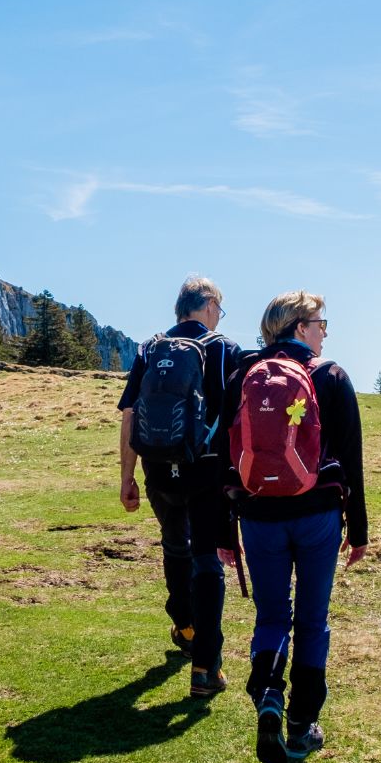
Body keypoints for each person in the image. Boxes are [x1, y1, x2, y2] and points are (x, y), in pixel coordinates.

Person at [223, 290, 366, 763]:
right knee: (311, 619)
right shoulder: (330, 376)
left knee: (270, 616)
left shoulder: (244, 375)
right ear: (301, 327)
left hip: (258, 517)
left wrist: (225, 532)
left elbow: (223, 460)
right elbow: (352, 461)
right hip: (318, 517)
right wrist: (359, 530)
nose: (325, 331)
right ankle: (302, 725)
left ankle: (268, 696)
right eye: (321, 323)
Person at [117, 276, 243, 698]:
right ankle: (206, 666)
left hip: (157, 466)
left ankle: (186, 626)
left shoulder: (150, 349)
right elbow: (235, 417)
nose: (218, 317)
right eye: (218, 309)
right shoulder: (222, 348)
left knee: (174, 545)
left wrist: (127, 477)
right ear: (207, 305)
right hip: (206, 469)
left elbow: (131, 414)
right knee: (207, 559)